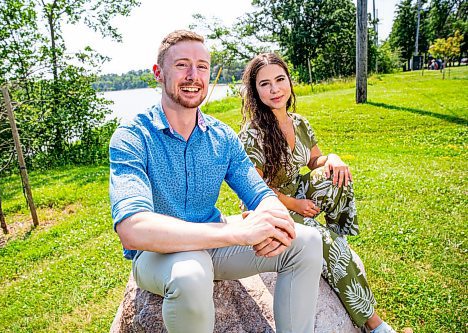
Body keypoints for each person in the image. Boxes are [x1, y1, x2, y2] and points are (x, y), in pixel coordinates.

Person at [109, 31, 323, 333]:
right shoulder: (132, 136)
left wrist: (272, 219)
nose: (193, 76)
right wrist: (236, 232)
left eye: (202, 66)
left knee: (308, 242)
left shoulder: (221, 136)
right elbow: (133, 229)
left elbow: (260, 193)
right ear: (159, 73)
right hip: (159, 255)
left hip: (216, 247)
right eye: (182, 65)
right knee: (190, 276)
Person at [238, 53, 396, 333]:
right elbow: (253, 190)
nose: (275, 89)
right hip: (269, 207)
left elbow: (314, 162)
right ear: (255, 90)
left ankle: (338, 242)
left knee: (338, 177)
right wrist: (294, 205)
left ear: (289, 82)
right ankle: (376, 326)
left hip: (295, 192)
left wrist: (333, 157)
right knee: (325, 241)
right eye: (265, 84)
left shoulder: (299, 123)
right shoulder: (252, 133)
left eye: (279, 80)